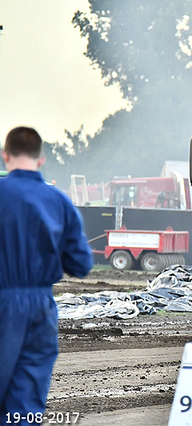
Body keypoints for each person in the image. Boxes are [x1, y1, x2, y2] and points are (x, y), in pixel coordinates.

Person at [0, 127, 93, 424]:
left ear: (5, 156)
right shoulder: (59, 202)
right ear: (41, 160)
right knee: (25, 404)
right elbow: (80, 264)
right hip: (41, 309)